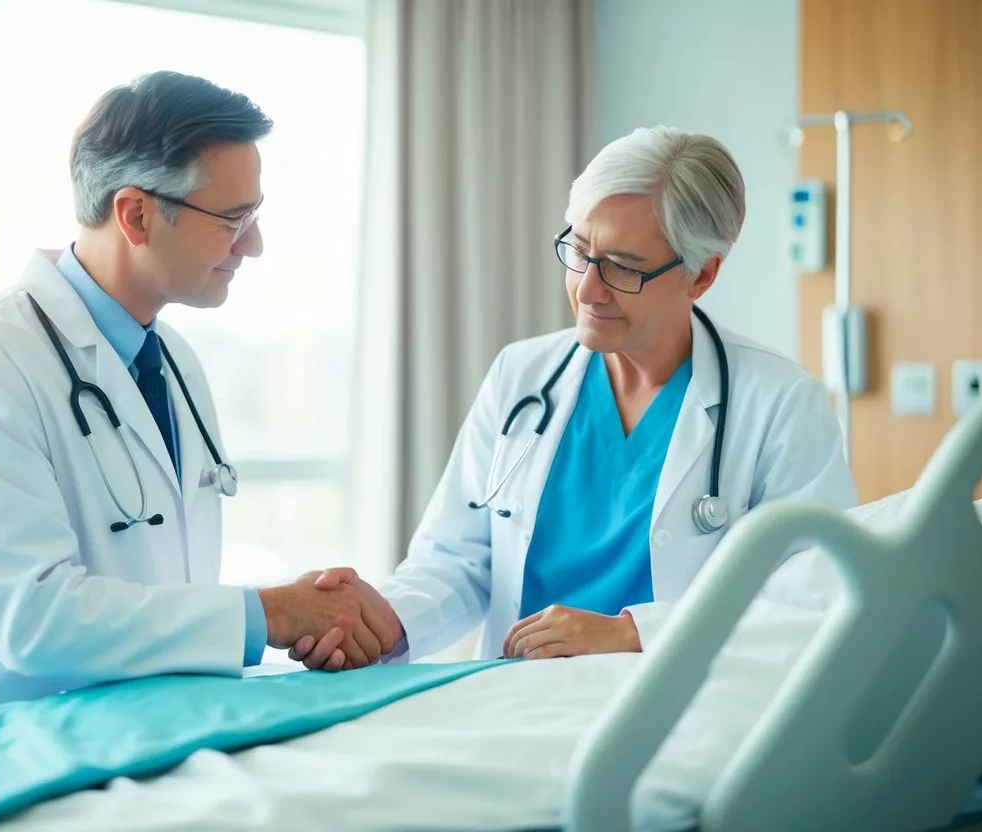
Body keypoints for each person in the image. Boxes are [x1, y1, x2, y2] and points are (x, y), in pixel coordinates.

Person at [0, 72, 395, 717]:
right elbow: (32, 619)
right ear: (135, 214)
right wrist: (269, 614)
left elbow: (164, 593)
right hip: (6, 760)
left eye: (256, 215)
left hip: (148, 740)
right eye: (233, 219)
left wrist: (307, 619)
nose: (255, 245)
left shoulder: (174, 360)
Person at [291, 126, 859, 668]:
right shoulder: (523, 374)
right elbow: (458, 559)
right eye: (580, 251)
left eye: (622, 268)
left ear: (701, 275)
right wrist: (385, 623)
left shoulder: (781, 404)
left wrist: (633, 632)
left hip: (667, 700)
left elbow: (813, 594)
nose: (588, 289)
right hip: (516, 693)